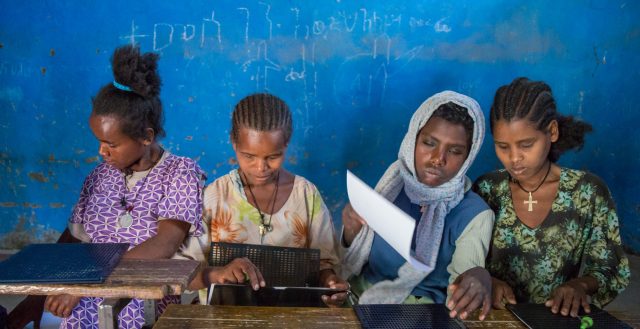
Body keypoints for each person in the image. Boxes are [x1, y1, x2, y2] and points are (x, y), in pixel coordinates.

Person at [8, 45, 206, 329]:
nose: (102, 151)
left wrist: (85, 285)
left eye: (111, 144)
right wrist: (34, 298)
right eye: (99, 141)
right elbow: (73, 239)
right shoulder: (100, 176)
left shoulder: (180, 173)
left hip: (140, 307)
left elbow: (163, 245)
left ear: (146, 136)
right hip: (82, 308)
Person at [473, 77, 630, 317]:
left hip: (554, 319)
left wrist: (580, 285)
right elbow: (462, 258)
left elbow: (611, 268)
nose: (514, 158)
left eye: (526, 144)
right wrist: (488, 280)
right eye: (503, 146)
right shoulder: (487, 188)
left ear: (552, 132)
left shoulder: (587, 192)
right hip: (493, 317)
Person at [341, 91, 495, 320]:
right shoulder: (392, 185)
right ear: (413, 139)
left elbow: (464, 283)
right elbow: (354, 256)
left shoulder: (474, 215)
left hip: (419, 314)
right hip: (354, 297)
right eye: (429, 143)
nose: (437, 158)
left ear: (468, 157)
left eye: (454, 151)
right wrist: (351, 231)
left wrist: (478, 277)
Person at [187, 93, 348, 306]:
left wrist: (330, 282)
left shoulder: (306, 195)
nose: (261, 168)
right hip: (224, 319)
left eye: (273, 157)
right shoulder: (214, 197)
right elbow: (184, 273)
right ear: (233, 143)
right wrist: (217, 274)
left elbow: (325, 265)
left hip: (292, 317)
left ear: (286, 145)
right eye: (249, 156)